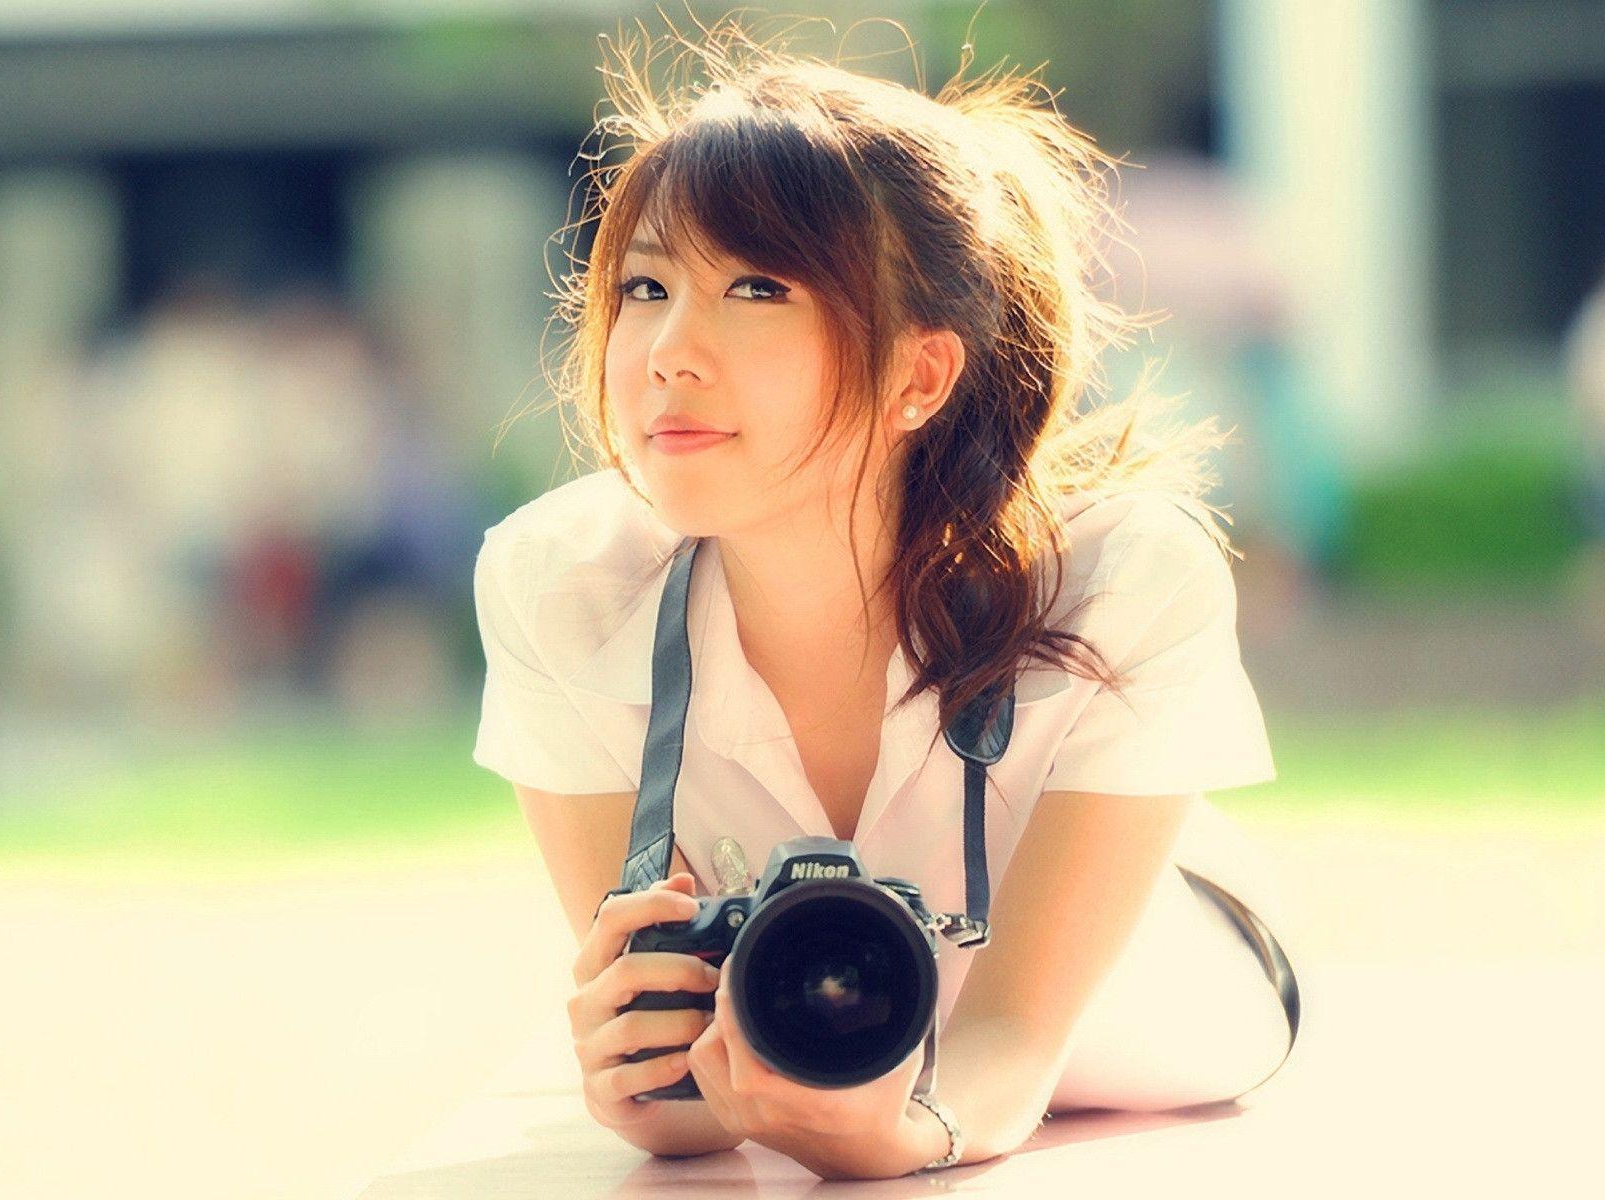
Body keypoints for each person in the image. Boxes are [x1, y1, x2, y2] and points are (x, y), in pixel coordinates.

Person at [471, 21, 1298, 1181]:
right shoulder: (559, 581)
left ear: (919, 373)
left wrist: (907, 1132)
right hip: (827, 1020)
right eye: (645, 285)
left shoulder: (1126, 575)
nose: (665, 349)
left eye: (758, 287)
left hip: (1161, 997)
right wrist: (647, 1076)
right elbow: (679, 1068)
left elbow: (1010, 1045)